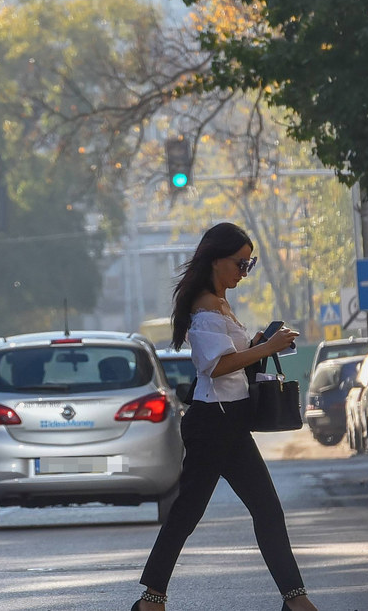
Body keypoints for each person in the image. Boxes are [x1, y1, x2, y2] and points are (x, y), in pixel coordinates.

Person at [131, 222, 317, 611]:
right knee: (188, 513)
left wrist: (260, 343)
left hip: (230, 420)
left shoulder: (220, 304)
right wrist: (266, 347)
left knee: (266, 510)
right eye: (240, 263)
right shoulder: (205, 306)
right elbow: (215, 366)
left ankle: (295, 600)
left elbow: (232, 359)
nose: (243, 272)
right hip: (213, 422)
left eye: (249, 265)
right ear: (216, 260)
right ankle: (151, 599)